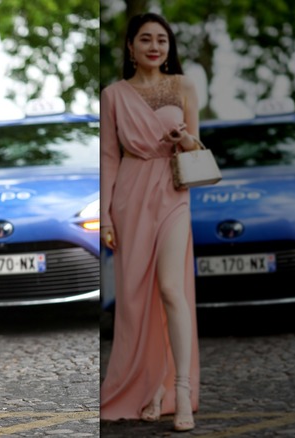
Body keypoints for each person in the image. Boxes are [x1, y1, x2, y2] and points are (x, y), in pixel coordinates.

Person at [99, 12, 200, 432]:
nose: (155, 46)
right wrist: (106, 214)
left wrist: (185, 140)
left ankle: (180, 393)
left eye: (162, 39)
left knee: (171, 288)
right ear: (131, 48)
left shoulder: (183, 86)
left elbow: (197, 145)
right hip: (130, 194)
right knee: (136, 298)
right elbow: (108, 156)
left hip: (174, 190)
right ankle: (150, 389)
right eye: (145, 39)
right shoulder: (113, 94)